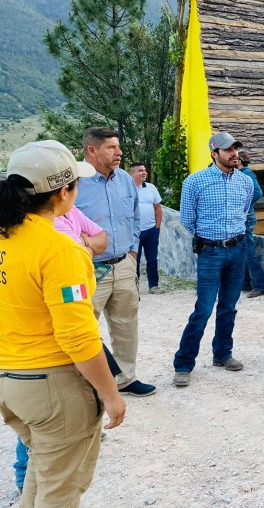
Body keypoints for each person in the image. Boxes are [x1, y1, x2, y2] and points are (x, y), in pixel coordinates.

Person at [0, 140, 126, 506]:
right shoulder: (60, 249)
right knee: (61, 493)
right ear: (63, 192)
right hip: (51, 386)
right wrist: (111, 395)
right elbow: (78, 336)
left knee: (43, 476)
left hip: (11, 383)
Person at [76, 127, 156, 397]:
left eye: (118, 146)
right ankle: (91, 389)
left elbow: (135, 218)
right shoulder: (74, 183)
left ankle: (125, 378)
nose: (119, 152)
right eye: (111, 147)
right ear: (92, 150)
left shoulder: (124, 180)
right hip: (89, 267)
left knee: (126, 323)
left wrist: (133, 252)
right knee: (85, 329)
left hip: (123, 263)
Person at [173, 131, 253, 388]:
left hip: (238, 249)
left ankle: (222, 354)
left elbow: (243, 213)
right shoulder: (195, 181)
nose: (234, 154)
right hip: (210, 252)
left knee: (229, 306)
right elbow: (187, 220)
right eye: (228, 150)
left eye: (235, 149)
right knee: (204, 309)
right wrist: (210, 239)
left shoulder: (245, 182)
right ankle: (183, 364)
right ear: (214, 152)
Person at [236, 150, 264, 298]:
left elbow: (257, 192)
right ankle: (245, 283)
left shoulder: (246, 174)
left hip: (246, 218)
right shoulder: (239, 174)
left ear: (240, 161)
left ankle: (260, 286)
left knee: (249, 252)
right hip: (241, 218)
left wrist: (243, 205)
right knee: (241, 251)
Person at [129, 162, 164, 294]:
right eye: (140, 171)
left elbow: (158, 208)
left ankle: (153, 286)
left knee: (152, 259)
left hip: (151, 230)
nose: (144, 173)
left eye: (144, 170)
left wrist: (157, 227)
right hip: (134, 232)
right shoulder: (127, 188)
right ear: (132, 173)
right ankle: (134, 287)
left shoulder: (151, 188)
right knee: (134, 261)